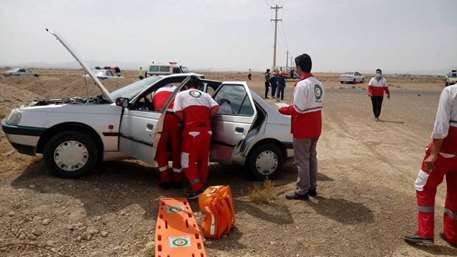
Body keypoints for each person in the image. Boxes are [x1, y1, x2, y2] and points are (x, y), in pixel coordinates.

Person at [404, 84, 457, 246]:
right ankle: (452, 234)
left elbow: (441, 124)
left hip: (446, 148)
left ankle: (425, 233)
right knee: (455, 191)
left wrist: (434, 153)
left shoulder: (451, 91)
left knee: (423, 185)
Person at [279, 53, 324, 201]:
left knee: (302, 160)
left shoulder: (302, 84)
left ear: (299, 67)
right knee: (312, 157)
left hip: (303, 127)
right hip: (316, 125)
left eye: (296, 66)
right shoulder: (318, 83)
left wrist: (282, 109)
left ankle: (302, 190)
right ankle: (312, 187)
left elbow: (297, 109)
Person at [173, 76, 220, 199]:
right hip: (207, 131)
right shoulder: (205, 95)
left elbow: (177, 111)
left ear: (186, 85)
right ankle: (202, 184)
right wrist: (205, 117)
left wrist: (187, 120)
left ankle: (197, 188)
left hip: (192, 132)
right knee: (203, 160)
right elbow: (216, 107)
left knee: (186, 161)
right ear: (198, 86)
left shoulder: (181, 95)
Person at [152, 85, 183, 189]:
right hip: (176, 118)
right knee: (177, 149)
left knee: (161, 149)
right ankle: (178, 180)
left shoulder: (156, 91)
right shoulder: (178, 90)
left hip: (162, 118)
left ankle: (164, 179)